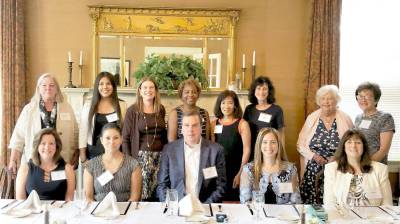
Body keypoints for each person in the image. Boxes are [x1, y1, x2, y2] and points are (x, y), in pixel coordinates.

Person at [8, 73, 78, 176]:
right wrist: (13, 160)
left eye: (52, 85)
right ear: (38, 89)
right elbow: (18, 137)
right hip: (35, 161)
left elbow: (75, 133)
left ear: (57, 89)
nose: (48, 88)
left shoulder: (67, 108)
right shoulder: (29, 109)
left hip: (61, 160)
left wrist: (76, 155)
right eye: (44, 85)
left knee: (59, 189)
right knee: (35, 190)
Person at [297, 85, 353, 204]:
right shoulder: (312, 118)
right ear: (319, 101)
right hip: (313, 168)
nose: (326, 102)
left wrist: (337, 157)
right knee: (312, 205)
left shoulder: (345, 118)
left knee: (334, 202)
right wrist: (314, 156)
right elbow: (300, 145)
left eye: (330, 98)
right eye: (323, 98)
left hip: (337, 166)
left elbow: (352, 143)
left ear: (336, 100)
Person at [157, 110, 226, 203]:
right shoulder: (169, 150)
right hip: (177, 208)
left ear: (201, 128)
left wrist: (204, 207)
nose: (190, 129)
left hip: (205, 208)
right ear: (181, 128)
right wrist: (171, 206)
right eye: (186, 125)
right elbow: (162, 185)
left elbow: (221, 187)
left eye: (194, 125)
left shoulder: (216, 150)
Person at [122, 77, 167, 200]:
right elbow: (125, 138)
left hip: (160, 157)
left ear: (156, 91)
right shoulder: (132, 110)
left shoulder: (160, 109)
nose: (148, 90)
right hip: (141, 159)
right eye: (145, 88)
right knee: (143, 195)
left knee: (158, 193)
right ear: (140, 91)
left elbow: (164, 134)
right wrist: (129, 162)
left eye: (151, 87)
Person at [324, 129, 392, 206]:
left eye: (358, 143)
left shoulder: (380, 169)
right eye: (349, 142)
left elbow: (387, 204)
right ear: (343, 147)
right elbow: (329, 203)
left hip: (373, 217)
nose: (353, 146)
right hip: (342, 216)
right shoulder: (331, 169)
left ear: (364, 147)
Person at [240, 128, 301, 204]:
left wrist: (282, 215)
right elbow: (245, 201)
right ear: (259, 145)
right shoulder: (248, 170)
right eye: (265, 142)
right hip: (257, 214)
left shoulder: (290, 169)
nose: (269, 146)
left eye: (273, 142)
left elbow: (296, 201)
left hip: (285, 215)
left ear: (279, 145)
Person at [84, 123, 142, 202]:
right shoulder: (90, 166)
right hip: (98, 212)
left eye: (116, 138)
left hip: (126, 212)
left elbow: (135, 197)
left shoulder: (133, 165)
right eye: (107, 138)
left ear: (121, 139)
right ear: (101, 140)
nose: (112, 142)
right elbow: (88, 198)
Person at [211, 90, 251, 201]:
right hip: (219, 171)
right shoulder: (213, 123)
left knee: (234, 204)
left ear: (235, 106)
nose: (226, 106)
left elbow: (247, 150)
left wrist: (240, 173)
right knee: (217, 203)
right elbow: (212, 151)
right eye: (223, 102)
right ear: (219, 105)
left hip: (236, 170)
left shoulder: (242, 124)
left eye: (230, 103)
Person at [16, 128, 75, 201]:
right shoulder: (25, 168)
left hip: (59, 211)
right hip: (32, 211)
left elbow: (69, 199)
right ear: (37, 146)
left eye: (51, 143)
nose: (47, 147)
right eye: (43, 143)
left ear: (56, 147)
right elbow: (20, 199)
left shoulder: (67, 169)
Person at [79, 72, 127, 162]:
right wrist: (82, 155)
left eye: (108, 83)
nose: (105, 87)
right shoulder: (88, 104)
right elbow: (83, 130)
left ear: (113, 86)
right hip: (94, 153)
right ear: (97, 86)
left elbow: (124, 131)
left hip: (116, 153)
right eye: (101, 84)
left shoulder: (122, 105)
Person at [243, 76, 285, 160]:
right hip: (252, 152)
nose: (261, 92)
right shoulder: (249, 109)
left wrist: (281, 154)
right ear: (254, 91)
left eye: (264, 89)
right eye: (258, 88)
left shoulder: (277, 110)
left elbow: (281, 135)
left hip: (269, 151)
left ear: (269, 91)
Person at [354, 82, 395, 164]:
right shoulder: (358, 118)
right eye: (360, 96)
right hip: (358, 165)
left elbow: (384, 150)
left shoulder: (385, 117)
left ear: (376, 100)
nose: (363, 99)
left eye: (367, 96)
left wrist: (367, 165)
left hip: (375, 167)